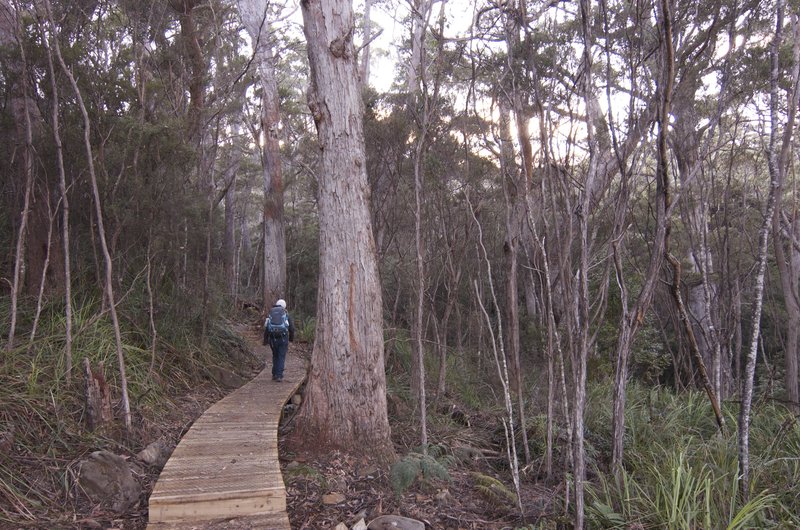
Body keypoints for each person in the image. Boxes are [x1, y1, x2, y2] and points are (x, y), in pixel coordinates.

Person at [263, 298, 294, 382]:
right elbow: (291, 328)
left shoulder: (271, 312)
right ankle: (279, 375)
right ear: (284, 306)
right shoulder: (285, 313)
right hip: (283, 338)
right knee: (281, 356)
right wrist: (291, 339)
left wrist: (265, 340)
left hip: (273, 338)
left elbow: (266, 327)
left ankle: (274, 374)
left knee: (275, 355)